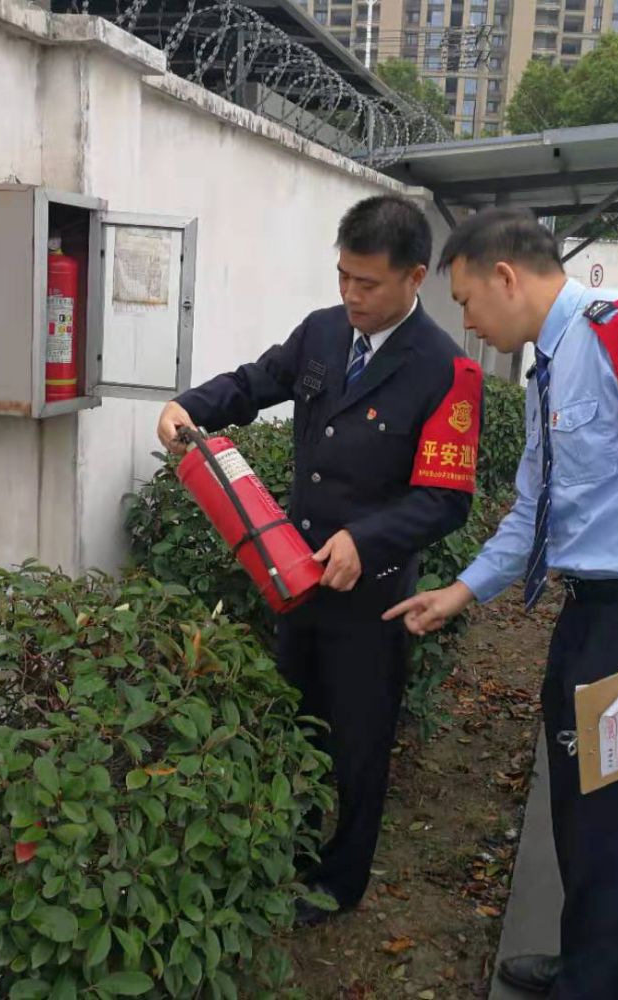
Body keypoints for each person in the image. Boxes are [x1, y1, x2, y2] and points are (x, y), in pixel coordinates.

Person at [384, 209, 618, 998]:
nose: (468, 322)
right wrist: (460, 591)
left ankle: (594, 985)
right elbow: (534, 510)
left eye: (467, 300)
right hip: (589, 617)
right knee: (581, 812)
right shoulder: (548, 368)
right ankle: (583, 962)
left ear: (504, 277)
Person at [156, 195, 483, 926]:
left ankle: (340, 881)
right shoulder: (322, 333)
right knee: (293, 721)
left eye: (368, 283)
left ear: (414, 278)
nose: (351, 295)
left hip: (372, 598)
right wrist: (190, 406)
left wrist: (368, 540)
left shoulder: (444, 370)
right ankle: (291, 851)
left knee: (360, 743)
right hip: (296, 582)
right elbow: (254, 383)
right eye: (343, 276)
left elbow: (444, 499)